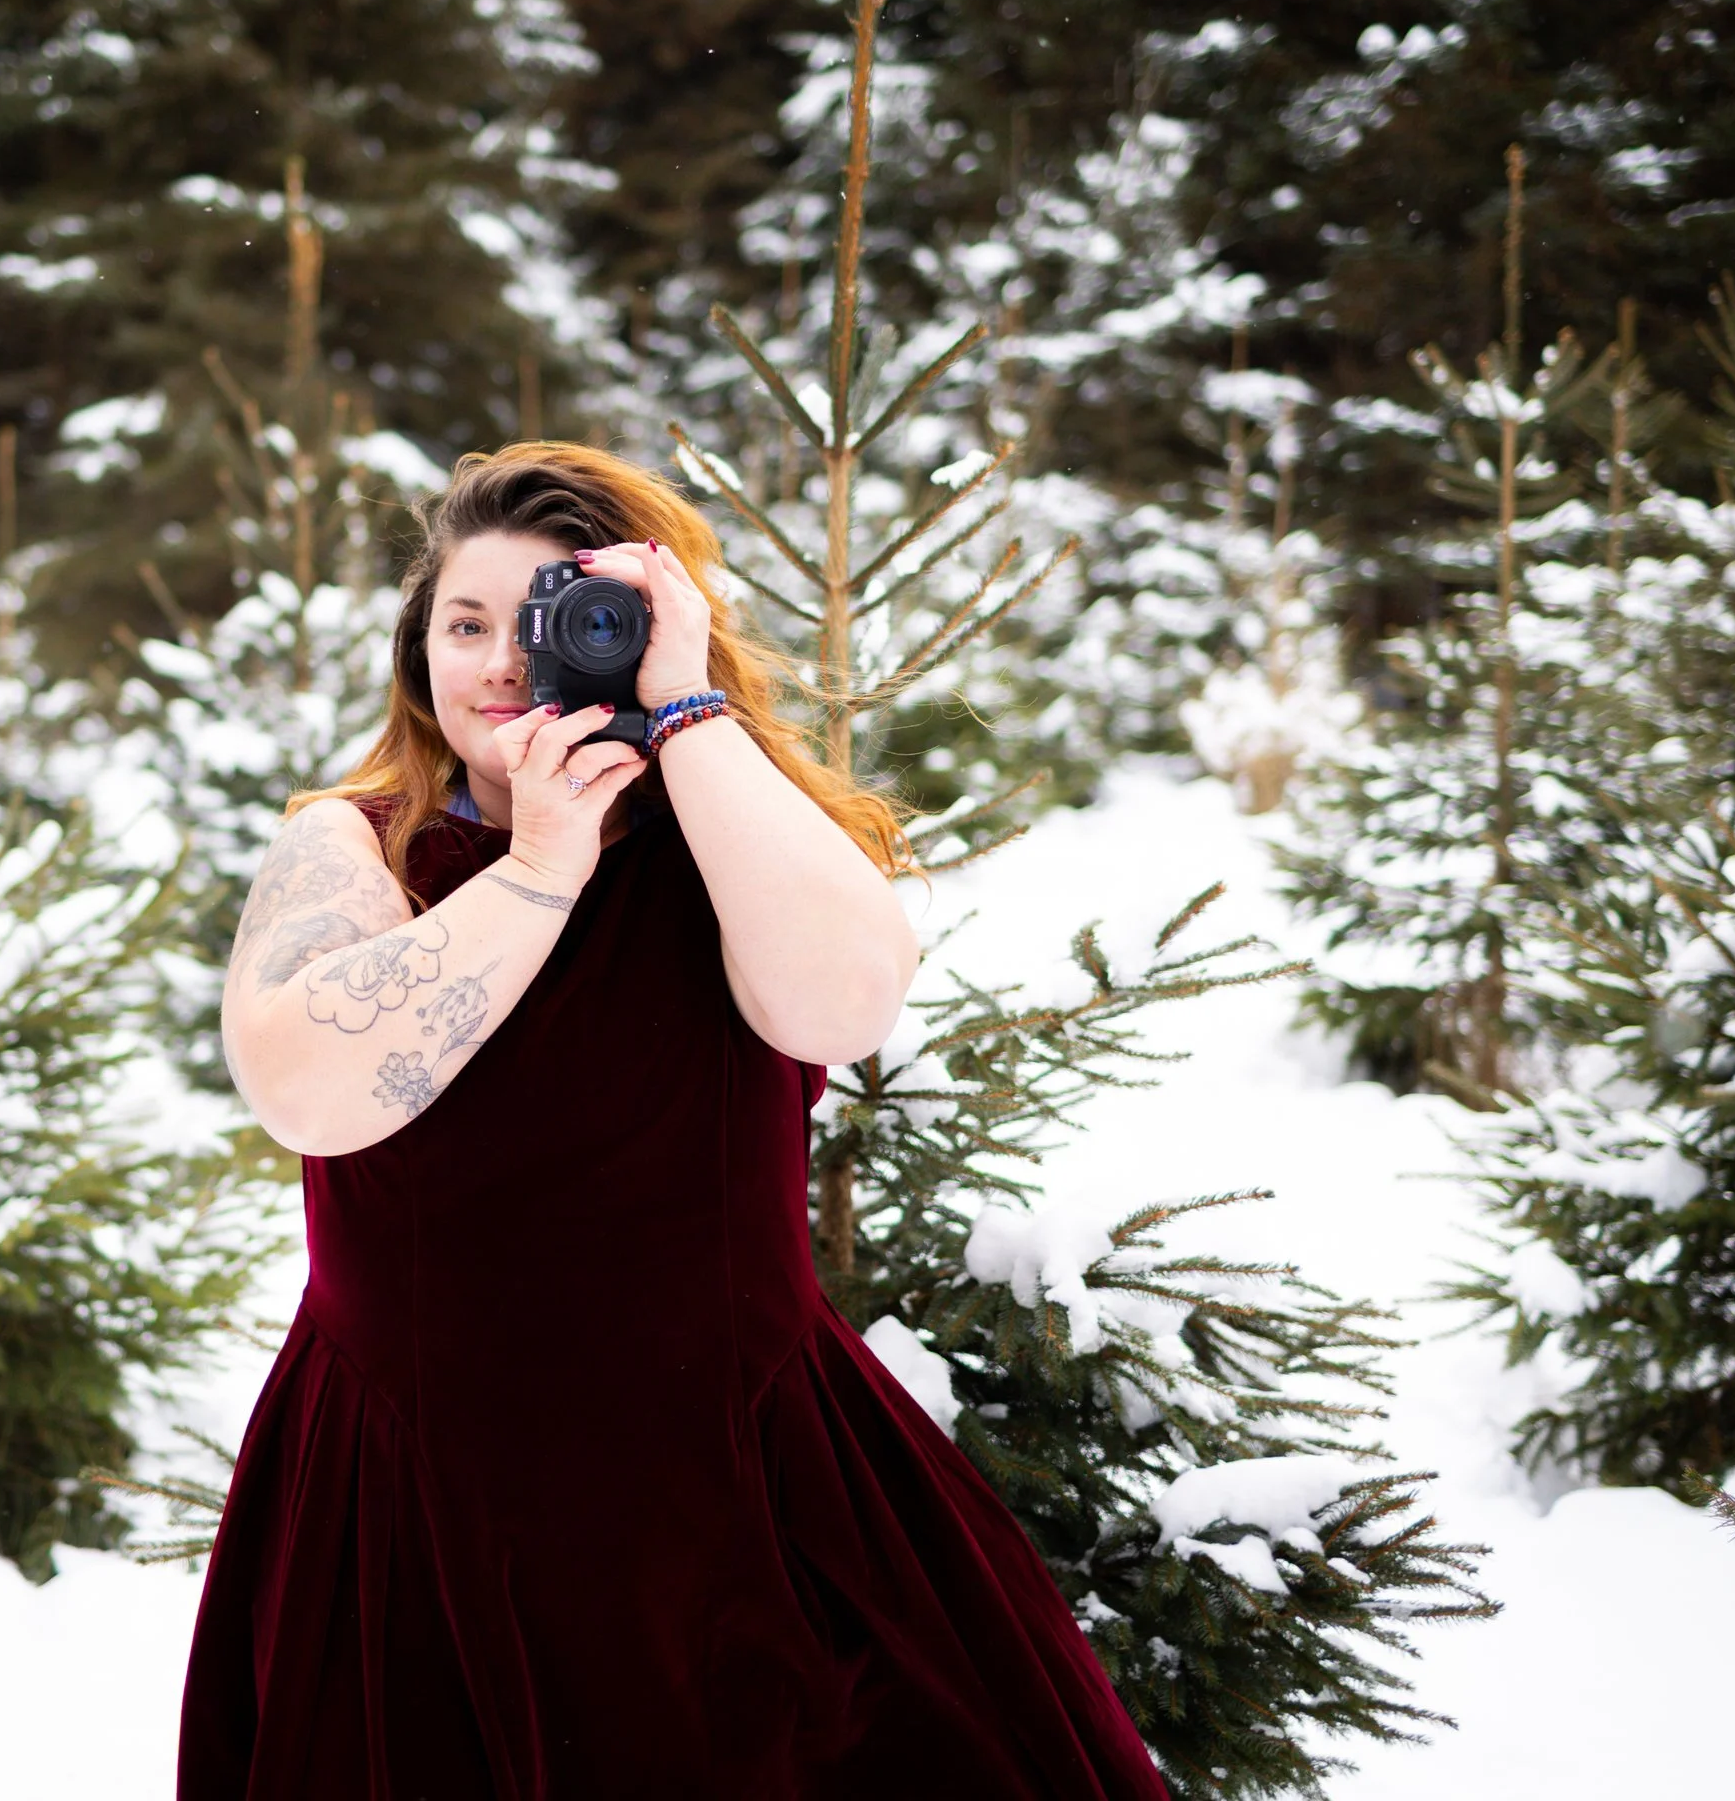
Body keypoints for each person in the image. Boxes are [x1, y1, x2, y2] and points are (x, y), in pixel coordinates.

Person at [178, 444, 1168, 1799]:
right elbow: (304, 1084)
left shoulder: (732, 834)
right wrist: (540, 869)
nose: (506, 664)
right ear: (418, 654)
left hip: (740, 1482)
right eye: (466, 625)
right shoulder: (357, 844)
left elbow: (842, 1006)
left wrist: (687, 714)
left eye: (557, 620)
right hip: (417, 1496)